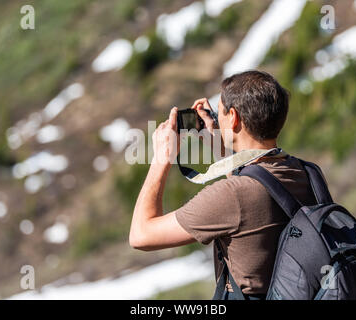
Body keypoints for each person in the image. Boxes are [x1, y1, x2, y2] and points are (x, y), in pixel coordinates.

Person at [129, 70, 320, 300]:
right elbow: (257, 186)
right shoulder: (307, 172)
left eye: (219, 114)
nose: (216, 119)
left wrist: (162, 158)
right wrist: (218, 140)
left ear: (234, 117)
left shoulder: (232, 196)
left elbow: (141, 235)